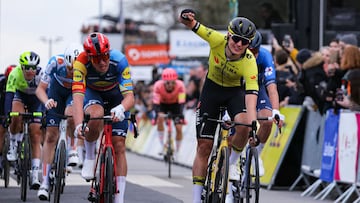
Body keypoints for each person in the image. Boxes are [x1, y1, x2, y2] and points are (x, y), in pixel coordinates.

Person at [179, 9, 259, 203]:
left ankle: (232, 163)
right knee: (204, 147)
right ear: (228, 35)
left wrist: (253, 121)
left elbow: (251, 94)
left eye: (245, 42)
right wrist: (185, 17)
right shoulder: (216, 39)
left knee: (244, 124)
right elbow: (192, 25)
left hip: (234, 93)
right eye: (236, 39)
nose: (239, 44)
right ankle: (197, 199)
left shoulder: (249, 62)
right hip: (211, 92)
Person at [72, 32, 135, 203]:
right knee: (95, 114)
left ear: (109, 53)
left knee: (119, 145)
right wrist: (79, 125)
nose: (102, 62)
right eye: (96, 58)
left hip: (117, 96)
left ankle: (119, 198)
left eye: (105, 56)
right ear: (89, 57)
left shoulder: (119, 60)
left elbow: (130, 96)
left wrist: (122, 108)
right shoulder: (81, 63)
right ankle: (90, 157)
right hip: (94, 95)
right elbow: (77, 97)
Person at [36, 43, 82, 200]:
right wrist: (46, 101)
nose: (71, 73)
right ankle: (45, 183)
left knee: (70, 115)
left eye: (74, 70)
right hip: (55, 92)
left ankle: (73, 149)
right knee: (50, 136)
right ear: (66, 62)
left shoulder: (85, 66)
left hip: (73, 93)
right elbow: (40, 89)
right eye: (70, 69)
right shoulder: (55, 62)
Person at [4, 51, 43, 189]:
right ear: (22, 66)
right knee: (16, 115)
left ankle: (34, 173)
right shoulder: (15, 74)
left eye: (33, 67)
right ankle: (13, 144)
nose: (30, 71)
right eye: (27, 67)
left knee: (36, 133)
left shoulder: (41, 75)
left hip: (36, 100)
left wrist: (46, 114)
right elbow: (9, 95)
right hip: (20, 96)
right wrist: (7, 114)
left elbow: (46, 95)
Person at [247, 31, 284, 175]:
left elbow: (272, 88)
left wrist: (276, 111)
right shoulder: (236, 55)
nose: (253, 54)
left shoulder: (265, 56)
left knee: (267, 120)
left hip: (258, 87)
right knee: (239, 125)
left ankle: (256, 152)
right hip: (238, 89)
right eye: (250, 50)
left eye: (255, 50)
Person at [152, 68, 186, 157]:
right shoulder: (158, 86)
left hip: (176, 105)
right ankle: (162, 145)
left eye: (173, 82)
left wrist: (181, 115)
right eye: (167, 83)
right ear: (163, 82)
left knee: (179, 128)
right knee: (160, 118)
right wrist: (157, 114)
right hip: (163, 105)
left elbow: (182, 102)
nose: (170, 85)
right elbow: (156, 103)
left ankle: (177, 151)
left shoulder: (181, 85)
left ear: (176, 81)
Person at [0, 65, 16, 175]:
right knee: (1, 132)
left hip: (16, 104)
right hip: (2, 106)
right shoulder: (1, 82)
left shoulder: (19, 80)